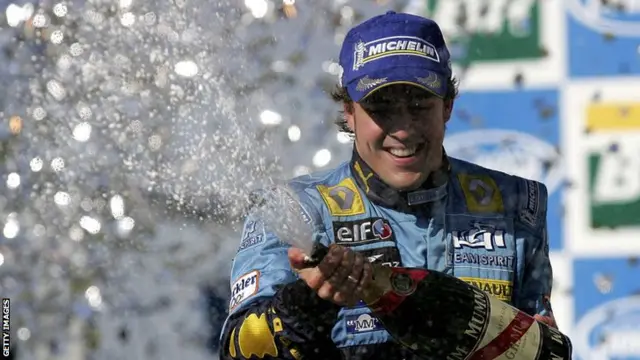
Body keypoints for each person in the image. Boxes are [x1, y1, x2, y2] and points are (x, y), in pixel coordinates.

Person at [219, 11, 559, 360]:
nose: (403, 129)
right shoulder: (293, 210)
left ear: (447, 106)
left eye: (419, 104)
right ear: (349, 111)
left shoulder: (516, 204)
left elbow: (540, 343)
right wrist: (306, 306)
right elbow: (237, 350)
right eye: (381, 108)